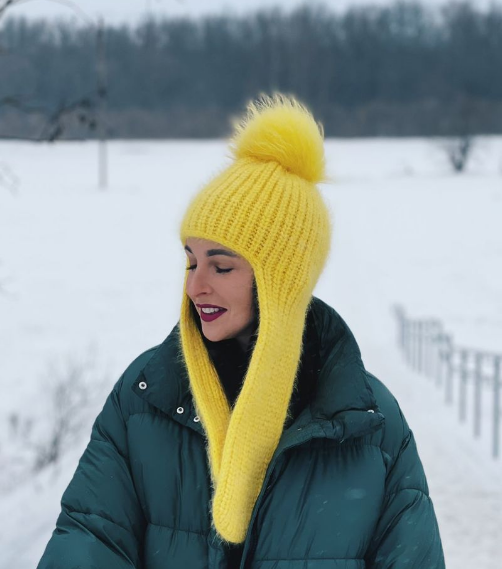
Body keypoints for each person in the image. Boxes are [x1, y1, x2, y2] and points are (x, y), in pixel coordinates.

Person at [37, 94, 445, 568]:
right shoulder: (144, 398)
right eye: (191, 262)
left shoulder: (370, 427)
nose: (195, 286)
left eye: (222, 266)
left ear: (282, 281)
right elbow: (89, 539)